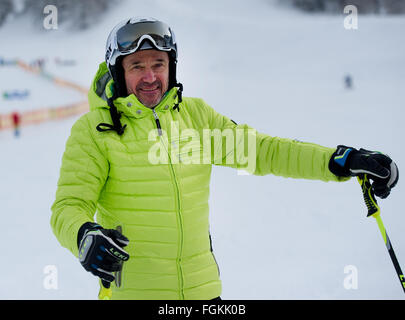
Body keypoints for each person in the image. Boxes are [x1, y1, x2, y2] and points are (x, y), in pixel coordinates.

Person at [50, 17, 399, 300]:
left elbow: (264, 151)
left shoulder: (196, 118)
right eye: (136, 65)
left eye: (159, 63)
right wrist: (84, 235)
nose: (150, 76)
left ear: (171, 67)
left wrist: (338, 160)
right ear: (118, 72)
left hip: (205, 295)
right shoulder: (96, 131)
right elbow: (67, 206)